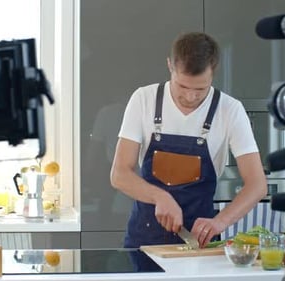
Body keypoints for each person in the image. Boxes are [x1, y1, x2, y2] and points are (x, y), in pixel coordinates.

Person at [110, 32, 267, 249]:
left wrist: (220, 221)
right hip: (144, 240)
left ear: (213, 72)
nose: (191, 96)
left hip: (199, 241)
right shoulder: (143, 99)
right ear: (169, 66)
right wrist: (160, 197)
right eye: (183, 86)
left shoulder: (230, 109)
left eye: (200, 89)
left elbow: (257, 184)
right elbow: (119, 175)